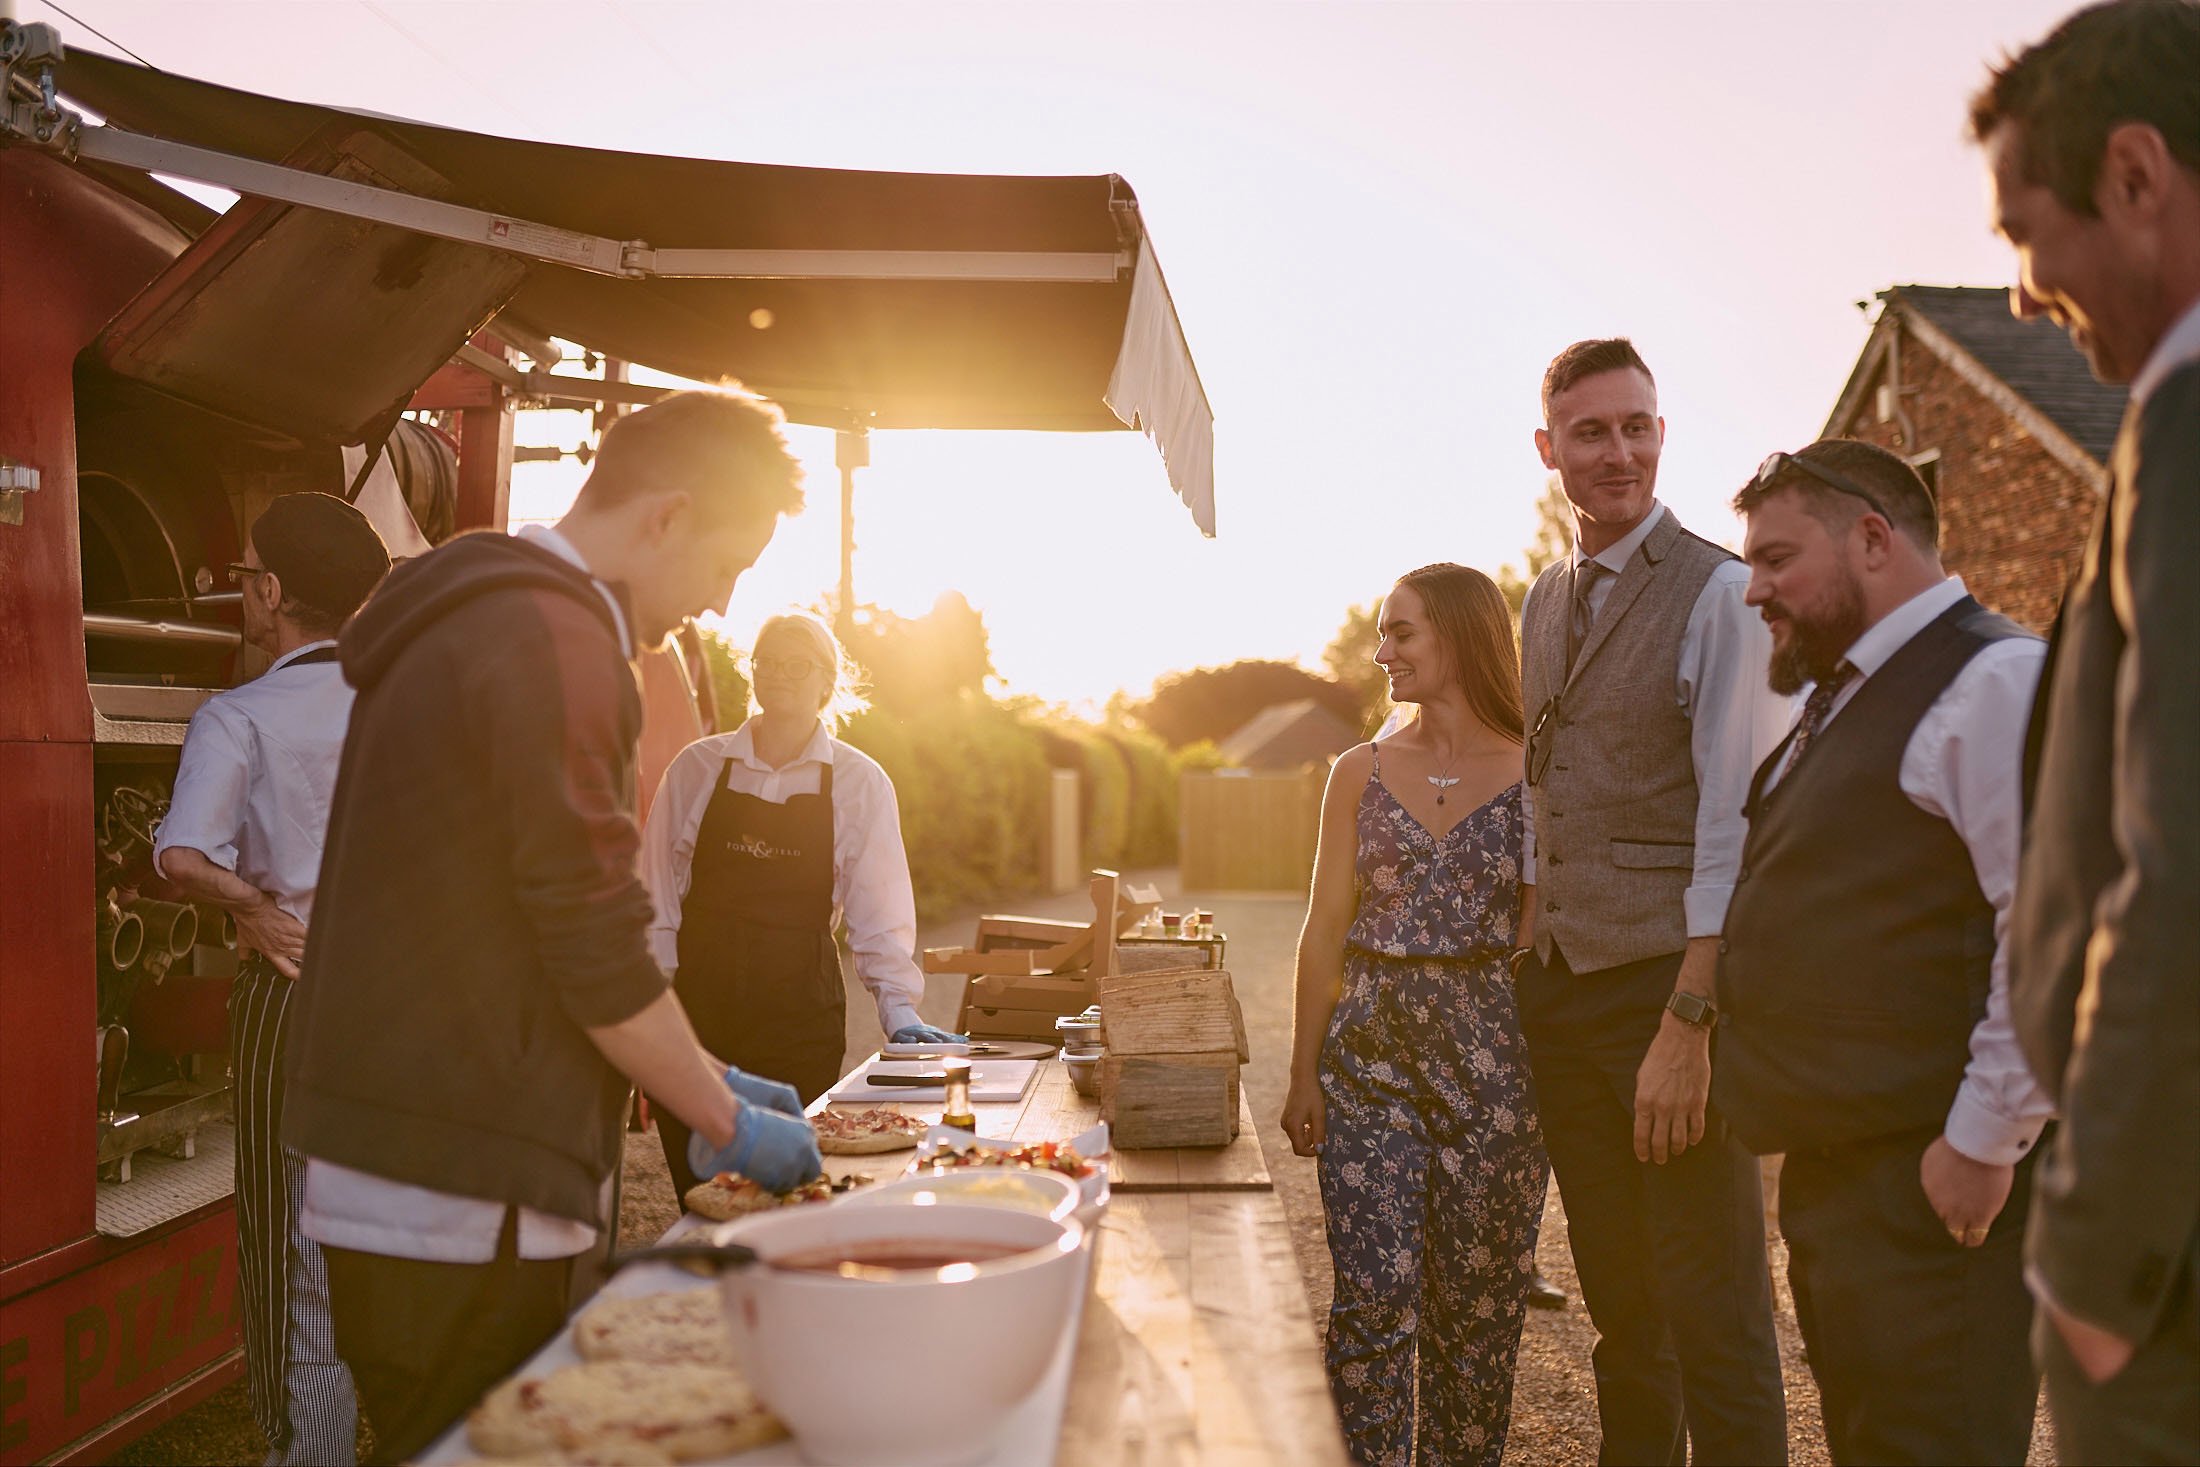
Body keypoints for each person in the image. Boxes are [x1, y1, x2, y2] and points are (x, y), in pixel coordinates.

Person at [282, 390, 822, 1465]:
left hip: (405, 1156)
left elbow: (515, 915)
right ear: (665, 516)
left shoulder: (482, 611)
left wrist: (699, 1066)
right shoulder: (561, 642)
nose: (722, 602)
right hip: (469, 1178)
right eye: (730, 562)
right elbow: (590, 941)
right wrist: (721, 1111)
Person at [1717, 440, 2054, 1463]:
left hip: (1934, 1189)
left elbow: (2050, 923)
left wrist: (1981, 1143)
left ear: (1871, 537)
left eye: (1776, 560)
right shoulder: (1848, 689)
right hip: (1851, 1186)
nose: (1753, 592)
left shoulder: (1996, 681)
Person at [1971, 3, 2200, 1458]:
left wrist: (2096, 1255)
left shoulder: (2185, 426)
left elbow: (2177, 860)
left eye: (2021, 229)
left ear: (2135, 175)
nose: (2016, 292)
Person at [1513, 338, 1789, 1465]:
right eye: (1590, 431)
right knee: (1624, 1311)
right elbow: (1546, 793)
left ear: (1661, 434)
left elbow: (1739, 825)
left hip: (1667, 996)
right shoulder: (1539, 599)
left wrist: (1691, 1020)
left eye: (1636, 426)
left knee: (1713, 1310)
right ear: (1549, 451)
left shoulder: (1721, 592)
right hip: (1567, 997)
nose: (1617, 451)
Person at [1281, 563, 1548, 1466]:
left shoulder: (1536, 774)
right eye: (1382, 632)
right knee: (1371, 1299)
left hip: (1496, 1073)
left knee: (1477, 1319)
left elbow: (1538, 930)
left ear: (1461, 639)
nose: (1381, 650)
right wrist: (1301, 1071)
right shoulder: (1357, 771)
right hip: (1368, 1056)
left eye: (1402, 632)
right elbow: (1323, 927)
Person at [152, 493, 390, 1467]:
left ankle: (307, 1450)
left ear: (277, 593)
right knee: (396, 1228)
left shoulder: (239, 715)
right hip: (406, 1002)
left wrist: (249, 906)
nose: (241, 588)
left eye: (249, 573)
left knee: (290, 1239)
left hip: (292, 1004)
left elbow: (179, 856)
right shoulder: (408, 701)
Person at [640, 610, 963, 1199]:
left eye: (798, 665)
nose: (780, 676)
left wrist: (900, 1014)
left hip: (798, 1015)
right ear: (752, 674)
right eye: (767, 663)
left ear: (827, 680)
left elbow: (879, 912)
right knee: (700, 1190)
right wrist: (651, 1013)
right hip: (699, 1011)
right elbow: (655, 894)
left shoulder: (860, 783)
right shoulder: (697, 768)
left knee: (783, 1188)